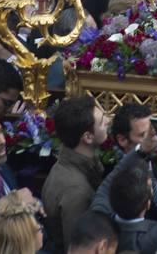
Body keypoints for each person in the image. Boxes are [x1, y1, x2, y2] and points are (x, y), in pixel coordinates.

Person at [42, 95, 107, 247]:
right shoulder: (77, 191)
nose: (108, 122)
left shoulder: (65, 164)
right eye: (102, 122)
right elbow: (78, 246)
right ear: (88, 137)